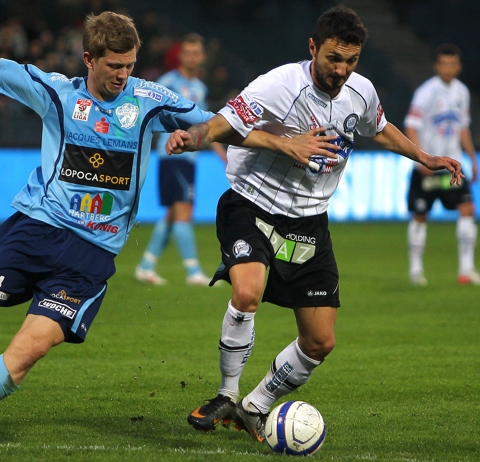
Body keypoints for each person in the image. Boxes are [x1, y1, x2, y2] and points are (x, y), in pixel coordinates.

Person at [0, 10, 216, 454]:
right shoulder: (58, 93)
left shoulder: (150, 100)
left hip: (91, 256)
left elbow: (219, 122)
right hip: (36, 231)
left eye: (130, 65)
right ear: (89, 58)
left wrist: (265, 140)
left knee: (29, 351)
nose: (124, 75)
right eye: (114, 66)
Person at [165, 5, 462, 444]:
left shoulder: (360, 90)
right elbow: (222, 126)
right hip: (253, 205)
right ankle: (226, 394)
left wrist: (425, 156)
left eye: (350, 61)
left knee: (321, 341)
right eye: (332, 59)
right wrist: (195, 137)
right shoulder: (279, 84)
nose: (341, 70)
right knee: (247, 290)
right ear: (312, 48)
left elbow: (377, 127)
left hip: (309, 220)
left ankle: (254, 406)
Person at [135, 33, 227, 286]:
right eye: (188, 52)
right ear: (180, 55)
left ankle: (146, 265)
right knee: (183, 210)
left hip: (190, 159)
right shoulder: (168, 83)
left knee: (173, 214)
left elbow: (207, 125)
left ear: (203, 56)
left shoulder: (200, 88)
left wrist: (220, 152)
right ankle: (193, 271)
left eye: (196, 53)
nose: (192, 57)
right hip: (171, 155)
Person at [404, 44, 479, 286]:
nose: (448, 68)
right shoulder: (426, 92)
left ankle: (466, 269)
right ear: (437, 66)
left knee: (467, 209)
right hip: (429, 166)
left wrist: (472, 158)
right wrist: (421, 157)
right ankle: (416, 270)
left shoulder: (462, 92)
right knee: (420, 214)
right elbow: (411, 126)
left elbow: (462, 128)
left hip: (452, 166)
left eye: (452, 64)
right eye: (444, 64)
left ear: (458, 66)